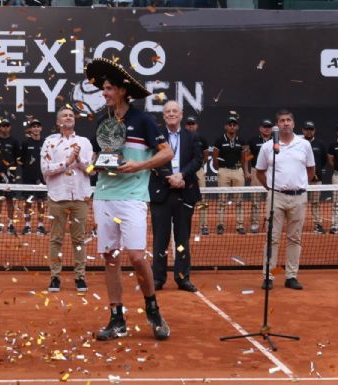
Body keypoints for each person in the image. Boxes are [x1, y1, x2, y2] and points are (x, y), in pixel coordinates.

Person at [86, 57, 173, 341]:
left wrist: (138, 165)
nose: (105, 92)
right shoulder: (102, 121)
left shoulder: (143, 120)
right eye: (103, 88)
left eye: (109, 88)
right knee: (110, 258)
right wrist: (94, 163)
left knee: (135, 257)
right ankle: (117, 319)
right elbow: (97, 159)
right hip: (104, 195)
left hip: (133, 196)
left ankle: (153, 309)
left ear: (123, 90)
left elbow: (166, 153)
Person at [255, 109, 314, 291]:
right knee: (272, 238)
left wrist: (300, 185)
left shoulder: (304, 145)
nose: (286, 123)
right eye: (282, 120)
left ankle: (291, 276)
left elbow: (310, 170)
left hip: (299, 198)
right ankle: (268, 276)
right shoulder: (267, 147)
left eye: (288, 120)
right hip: (276, 197)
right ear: (277, 125)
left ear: (293, 124)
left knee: (294, 238)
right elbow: (259, 171)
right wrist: (272, 189)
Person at [149, 101, 202, 292]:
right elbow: (152, 161)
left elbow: (197, 160)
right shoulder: (155, 137)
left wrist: (182, 175)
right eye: (167, 112)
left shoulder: (192, 136)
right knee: (160, 239)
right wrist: (169, 178)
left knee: (182, 238)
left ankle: (182, 278)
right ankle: (157, 278)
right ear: (164, 116)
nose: (171, 114)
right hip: (161, 193)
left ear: (180, 115)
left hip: (185, 191)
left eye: (174, 111)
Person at [41, 106, 93, 292]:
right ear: (58, 122)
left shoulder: (84, 142)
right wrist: (67, 161)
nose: (68, 117)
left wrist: (79, 160)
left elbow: (91, 170)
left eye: (71, 115)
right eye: (64, 115)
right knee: (56, 239)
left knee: (79, 239)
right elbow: (45, 169)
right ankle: (55, 277)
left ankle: (80, 277)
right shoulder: (49, 142)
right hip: (57, 196)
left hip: (80, 197)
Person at [213, 114, 248, 235]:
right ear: (226, 126)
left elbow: (244, 158)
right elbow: (215, 157)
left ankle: (240, 225)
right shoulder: (219, 140)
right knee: (222, 200)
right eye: (230, 125)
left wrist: (244, 171)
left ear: (237, 127)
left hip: (238, 171)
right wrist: (221, 169)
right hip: (224, 172)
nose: (232, 127)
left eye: (234, 125)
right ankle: (221, 225)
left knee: (239, 200)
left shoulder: (241, 141)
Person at [0, 118, 20, 235]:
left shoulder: (14, 142)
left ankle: (11, 224)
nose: (5, 128)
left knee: (10, 200)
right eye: (3, 126)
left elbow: (17, 159)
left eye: (7, 126)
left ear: (9, 127)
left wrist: (10, 171)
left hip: (10, 176)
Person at [183, 116, 210, 236]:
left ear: (196, 125)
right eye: (188, 124)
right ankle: (182, 224)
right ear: (185, 126)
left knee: (202, 199)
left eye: (192, 124)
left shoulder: (202, 139)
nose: (190, 126)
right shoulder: (182, 138)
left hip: (198, 171)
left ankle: (203, 225)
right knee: (183, 198)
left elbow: (205, 155)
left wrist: (199, 166)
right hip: (185, 172)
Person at [245, 119, 273, 234]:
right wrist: (247, 171)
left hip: (272, 172)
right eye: (264, 127)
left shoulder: (276, 141)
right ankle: (255, 223)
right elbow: (248, 157)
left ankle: (269, 224)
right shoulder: (253, 141)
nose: (267, 129)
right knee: (255, 200)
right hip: (256, 171)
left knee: (272, 199)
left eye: (269, 127)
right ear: (260, 129)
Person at [20, 118, 47, 235]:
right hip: (28, 177)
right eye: (33, 126)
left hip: (42, 177)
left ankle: (40, 226)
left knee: (41, 202)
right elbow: (21, 160)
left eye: (38, 126)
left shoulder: (45, 143)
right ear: (30, 129)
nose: (36, 128)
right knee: (28, 202)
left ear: (41, 128)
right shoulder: (25, 143)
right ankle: (27, 226)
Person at [301, 121, 327, 234]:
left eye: (311, 129)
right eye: (307, 129)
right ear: (303, 131)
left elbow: (324, 160)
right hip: (301, 181)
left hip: (316, 181)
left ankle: (317, 224)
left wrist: (316, 172)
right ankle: (298, 225)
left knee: (315, 203)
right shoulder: (298, 143)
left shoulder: (320, 144)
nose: (309, 131)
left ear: (314, 131)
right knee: (300, 204)